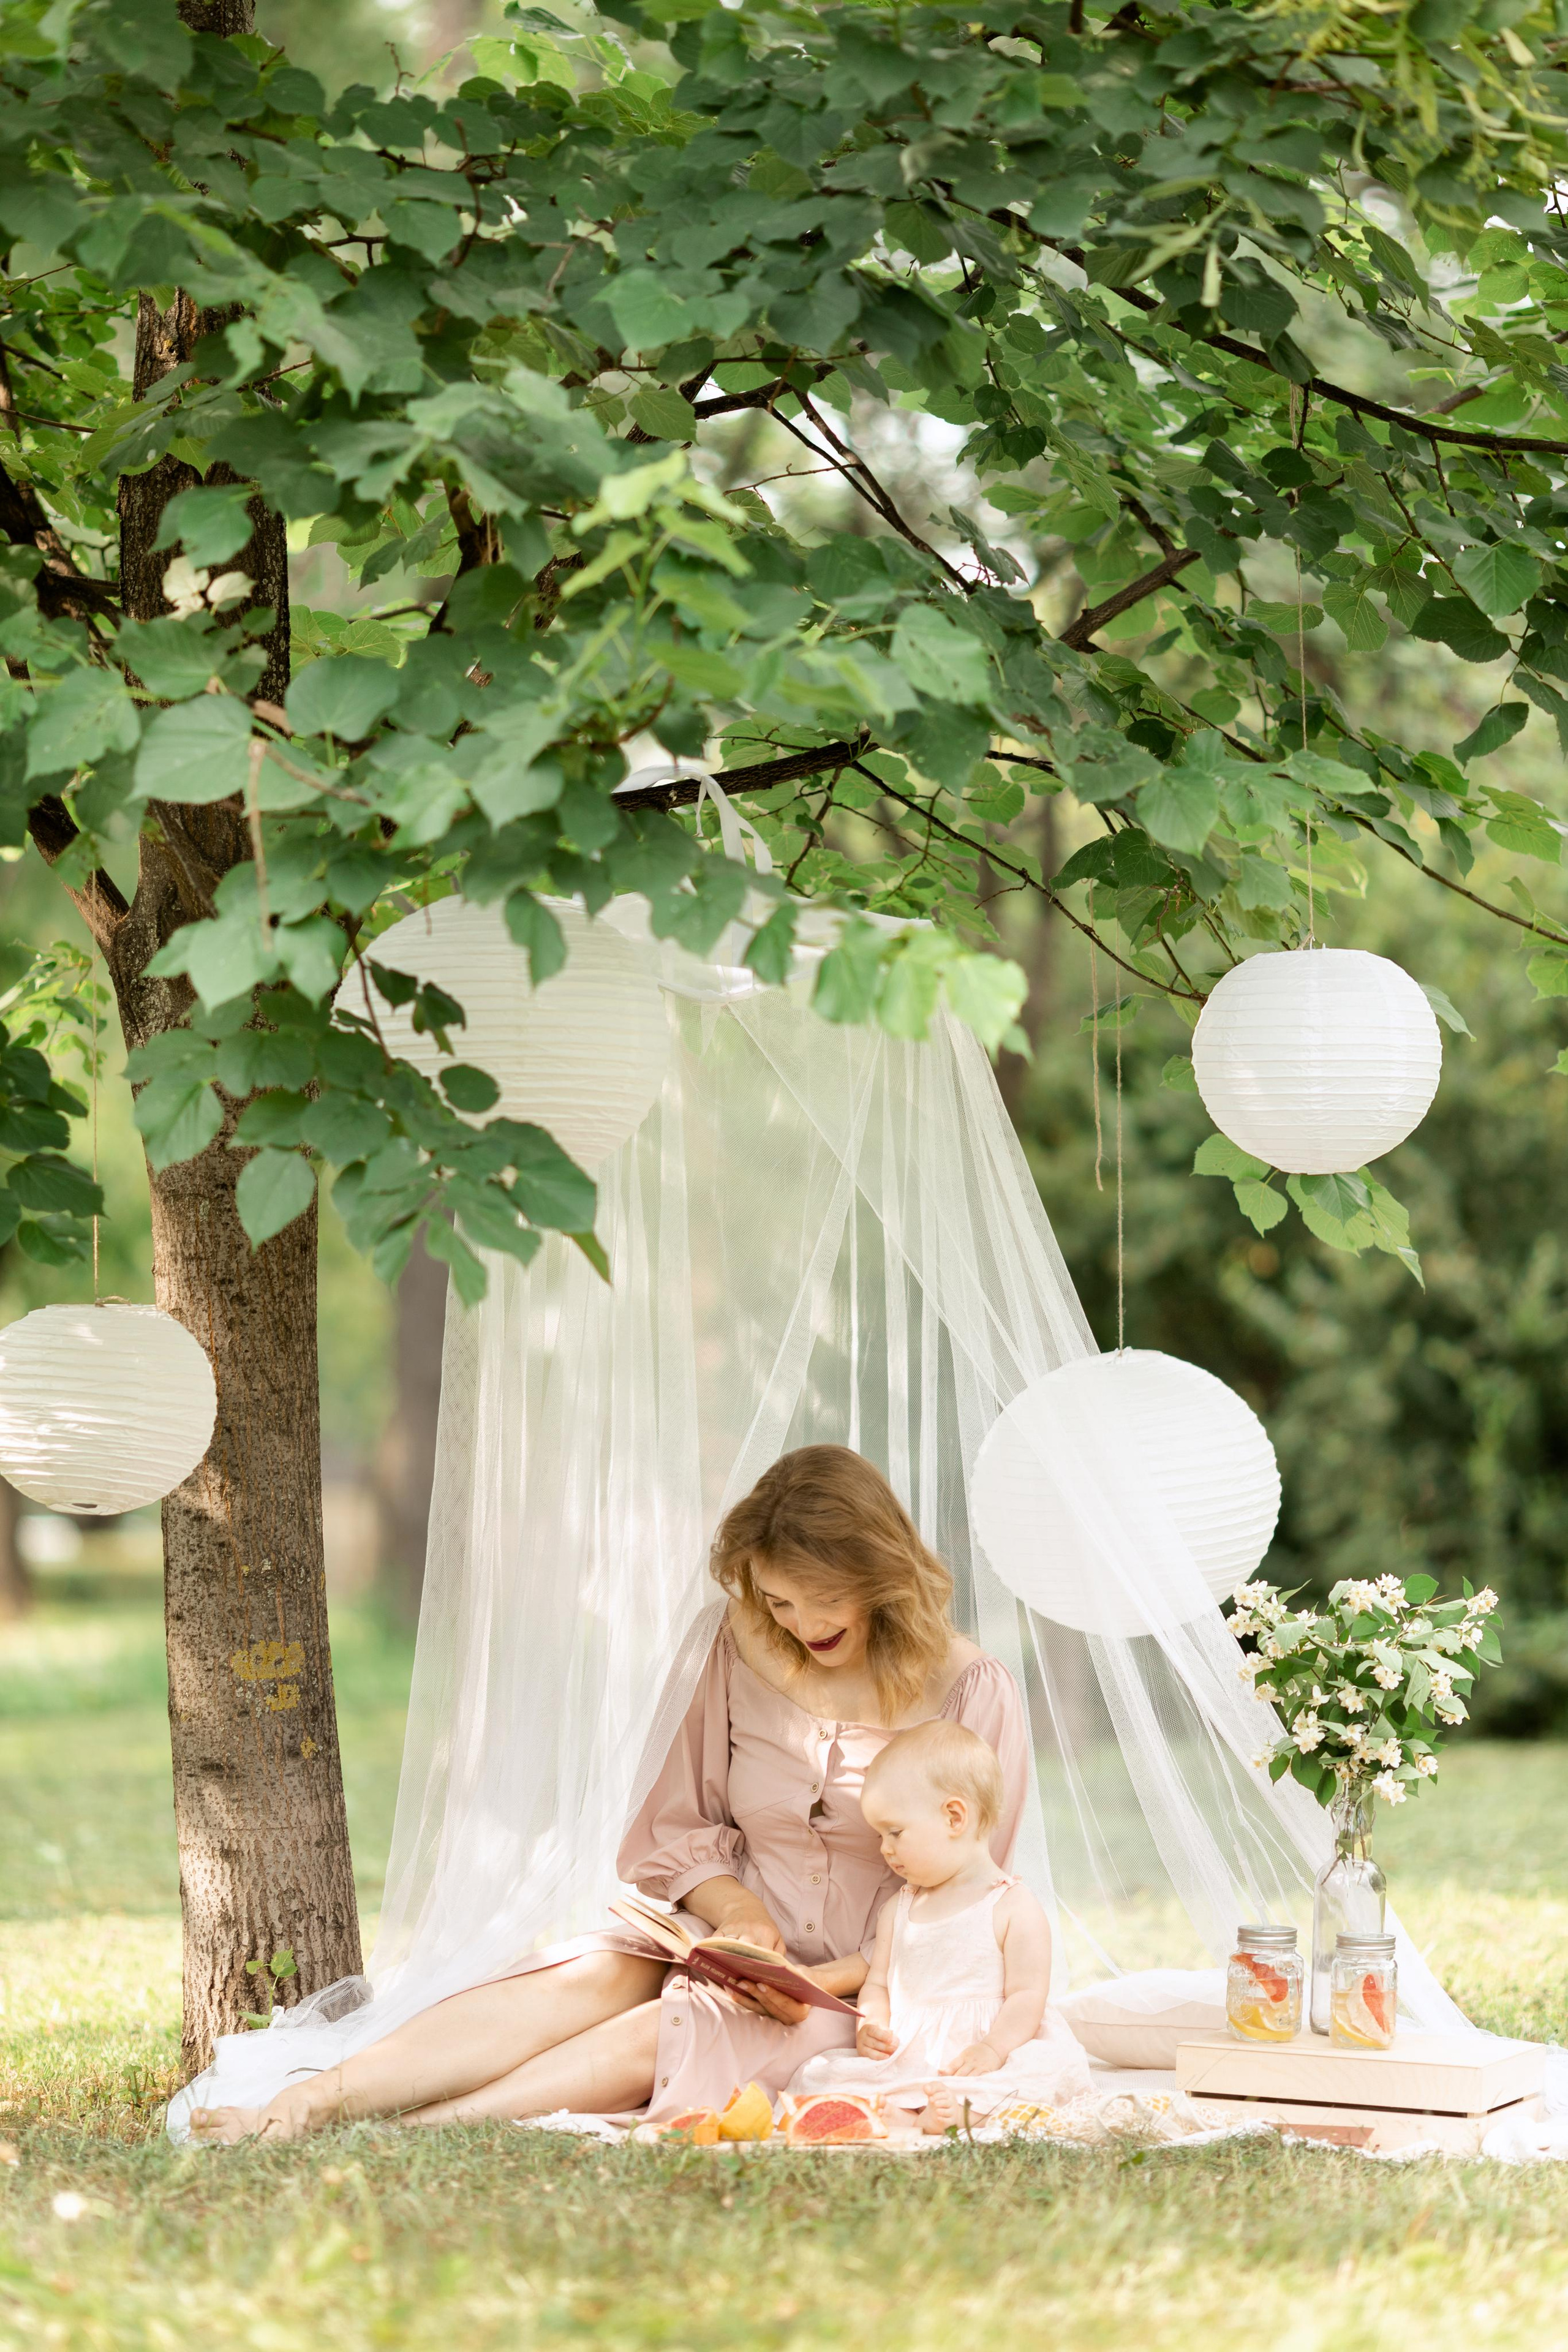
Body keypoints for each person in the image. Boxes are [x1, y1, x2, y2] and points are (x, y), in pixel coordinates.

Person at [191, 1445, 1036, 2141]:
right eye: (779, 1601)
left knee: (669, 2029)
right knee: (592, 1973)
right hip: (732, 1943)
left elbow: (962, 1906)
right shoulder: (731, 1651)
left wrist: (826, 1984)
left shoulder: (971, 1692)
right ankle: (317, 2098)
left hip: (874, 1994)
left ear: (881, 1572)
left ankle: (411, 2133)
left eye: (824, 1598)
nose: (802, 1623)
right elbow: (677, 1822)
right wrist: (740, 1919)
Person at [790, 1719, 1092, 2132]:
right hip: (912, 2051)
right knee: (822, 2077)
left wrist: (993, 2049)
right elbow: (878, 1983)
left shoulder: (1010, 1906)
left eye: (894, 1832)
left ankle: (965, 2111)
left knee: (1029, 2081)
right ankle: (904, 2110)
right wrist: (871, 2023)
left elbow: (1027, 1995)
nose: (884, 1849)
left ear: (954, 1818)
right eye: (881, 1835)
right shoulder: (899, 1908)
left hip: (984, 2052)